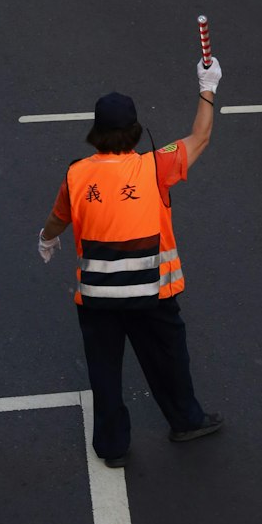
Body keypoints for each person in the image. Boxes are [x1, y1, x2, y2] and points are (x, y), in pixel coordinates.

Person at [38, 55, 224, 467]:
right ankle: (186, 420)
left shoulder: (76, 174)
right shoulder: (156, 165)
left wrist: (47, 239)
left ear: (96, 134)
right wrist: (206, 87)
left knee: (104, 372)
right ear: (137, 132)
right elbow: (200, 137)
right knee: (169, 360)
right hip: (152, 293)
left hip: (98, 299)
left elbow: (59, 218)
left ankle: (112, 445)